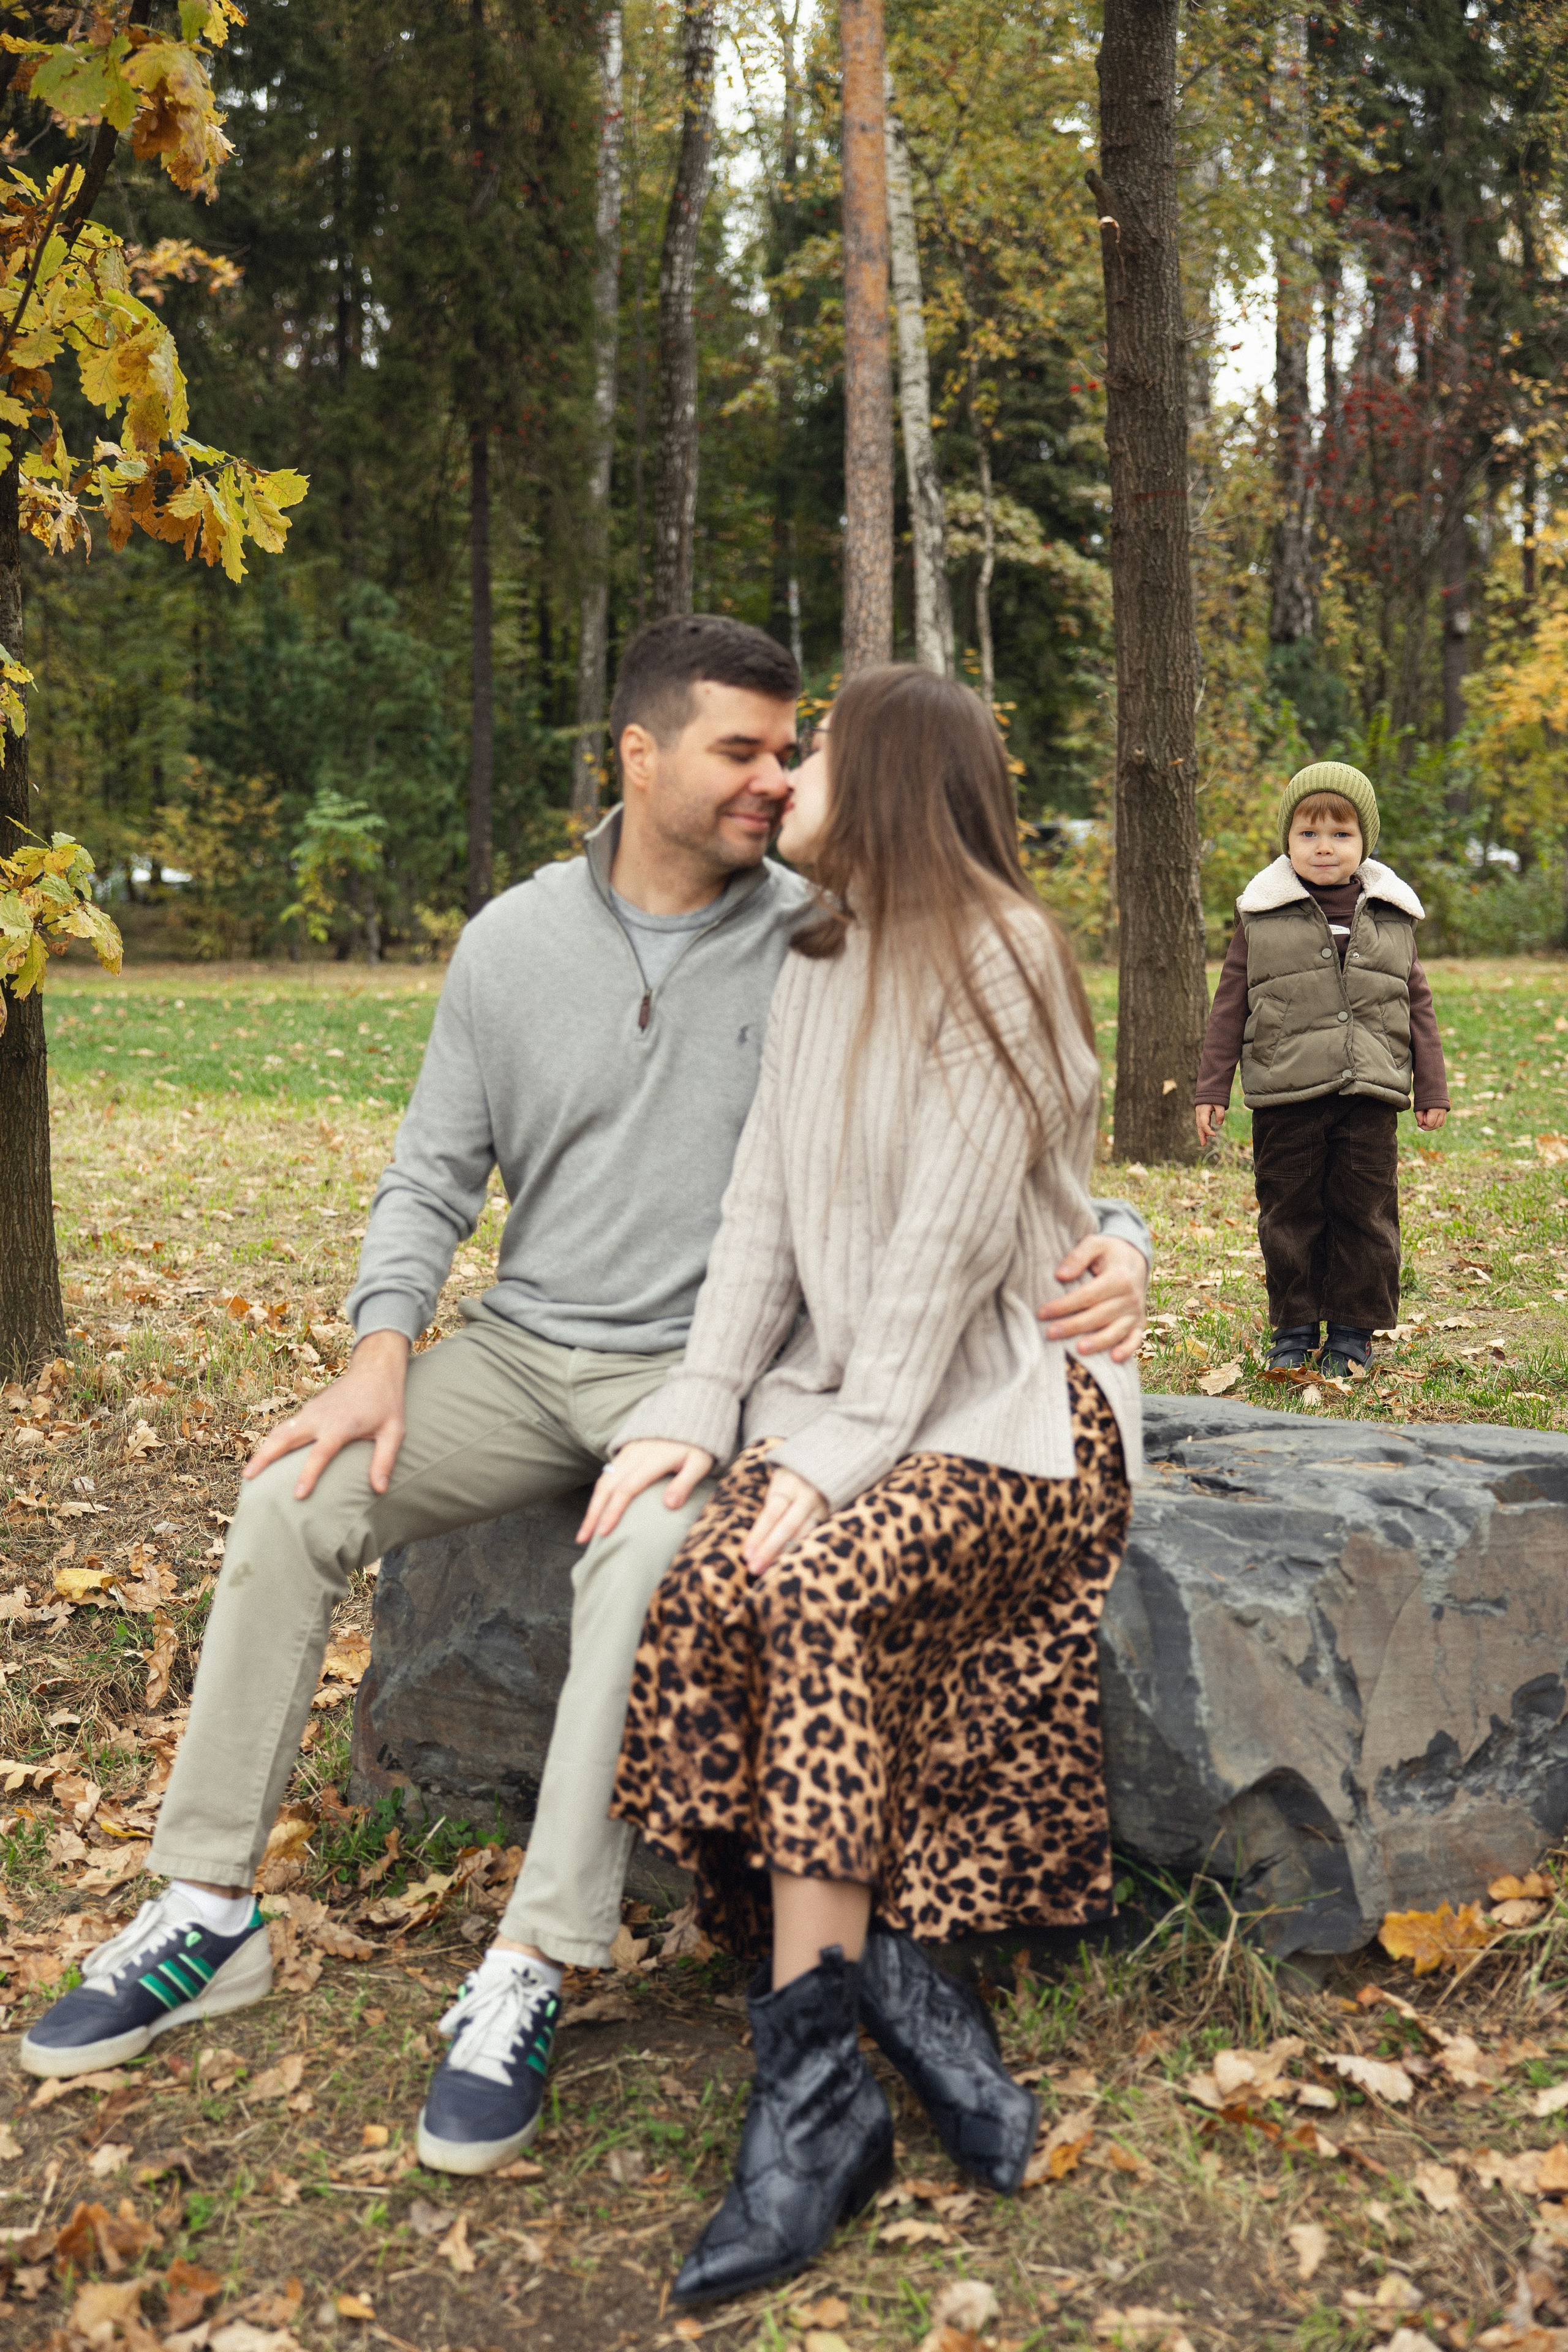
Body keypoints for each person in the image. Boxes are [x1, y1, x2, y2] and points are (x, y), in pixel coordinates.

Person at [18, 618, 1153, 2184]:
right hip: (524, 1345)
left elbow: (1000, 1112)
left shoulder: (814, 924)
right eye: (741, 751)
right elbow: (430, 1172)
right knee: (286, 1500)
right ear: (638, 754)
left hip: (713, 1375)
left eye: (790, 751)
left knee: (640, 1559)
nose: (772, 779)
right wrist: (376, 1345)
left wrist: (1120, 1243)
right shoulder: (510, 943)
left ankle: (533, 1965)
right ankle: (208, 1907)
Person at [582, 666, 1145, 2306]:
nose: (791, 773)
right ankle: (884, 1990)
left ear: (890, 772)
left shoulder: (1006, 955)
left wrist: (823, 1467)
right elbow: (763, 1214)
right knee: (708, 1583)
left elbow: (942, 1259)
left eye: (817, 747)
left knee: (816, 1580)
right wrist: (704, 1412)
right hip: (860, 1398)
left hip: (1015, 1411)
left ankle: (811, 2099)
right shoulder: (819, 956)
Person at [1194, 760, 1449, 1376]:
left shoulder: (1390, 913)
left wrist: (1431, 1087)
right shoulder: (1260, 913)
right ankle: (1294, 1326)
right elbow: (1231, 1003)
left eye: (1340, 834)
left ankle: (1352, 1332)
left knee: (1364, 1214)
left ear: (1364, 843)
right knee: (1289, 1213)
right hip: (1286, 1096)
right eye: (1308, 833)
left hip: (1368, 1094)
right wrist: (1212, 1087)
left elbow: (1414, 1002)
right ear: (1286, 841)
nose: (1324, 847)